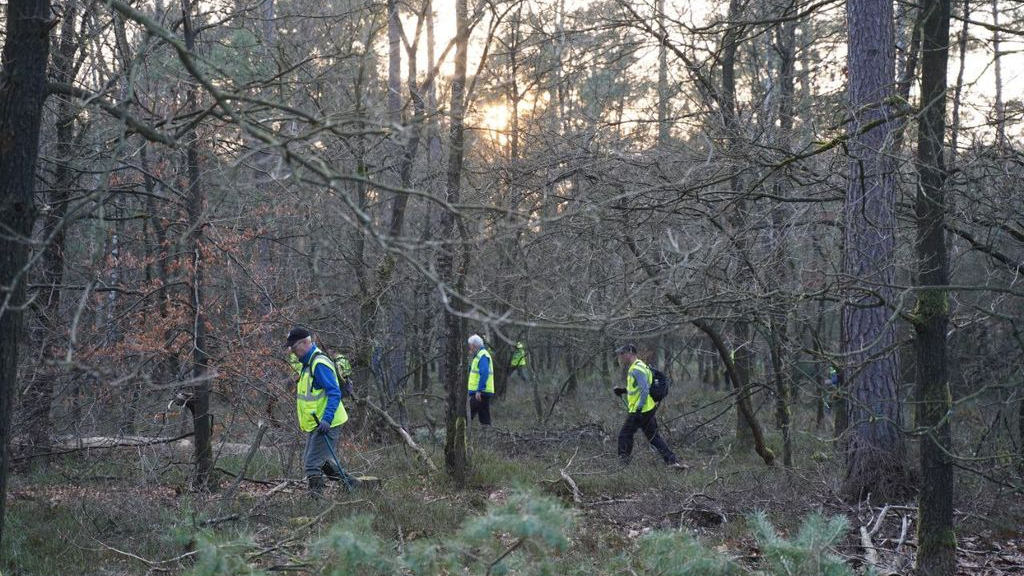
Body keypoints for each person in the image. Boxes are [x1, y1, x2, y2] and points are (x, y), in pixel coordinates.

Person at [285, 326, 350, 493]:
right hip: (318, 422)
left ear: (306, 343)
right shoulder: (307, 363)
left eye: (294, 347)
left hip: (328, 422)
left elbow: (334, 393)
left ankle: (316, 501)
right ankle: (351, 485)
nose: (292, 351)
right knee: (320, 461)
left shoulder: (318, 363)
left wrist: (327, 419)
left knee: (312, 464)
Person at [613, 343, 685, 468]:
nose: (620, 356)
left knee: (624, 435)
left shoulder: (637, 369)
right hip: (648, 408)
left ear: (630, 352)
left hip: (641, 410)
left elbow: (645, 390)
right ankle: (672, 461)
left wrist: (639, 410)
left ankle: (622, 465)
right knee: (653, 437)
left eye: (622, 353)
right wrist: (623, 390)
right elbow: (638, 388)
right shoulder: (641, 366)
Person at [467, 334, 494, 426]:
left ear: (474, 346)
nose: (469, 348)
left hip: (479, 392)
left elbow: (484, 373)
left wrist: (479, 390)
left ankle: (462, 435)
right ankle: (486, 436)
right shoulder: (480, 355)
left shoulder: (482, 356)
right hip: (482, 392)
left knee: (467, 415)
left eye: (470, 345)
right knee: (484, 416)